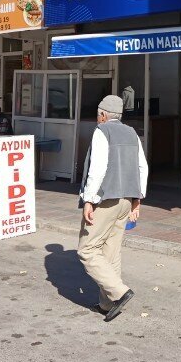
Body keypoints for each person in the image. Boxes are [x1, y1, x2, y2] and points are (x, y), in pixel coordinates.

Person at [77, 94, 148, 322]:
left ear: (103, 115)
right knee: (111, 252)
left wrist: (89, 200)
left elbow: (97, 168)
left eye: (98, 114)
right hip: (126, 200)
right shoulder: (132, 132)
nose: (98, 118)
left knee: (87, 250)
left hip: (105, 199)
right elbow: (142, 167)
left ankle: (119, 292)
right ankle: (107, 304)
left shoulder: (102, 131)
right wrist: (138, 199)